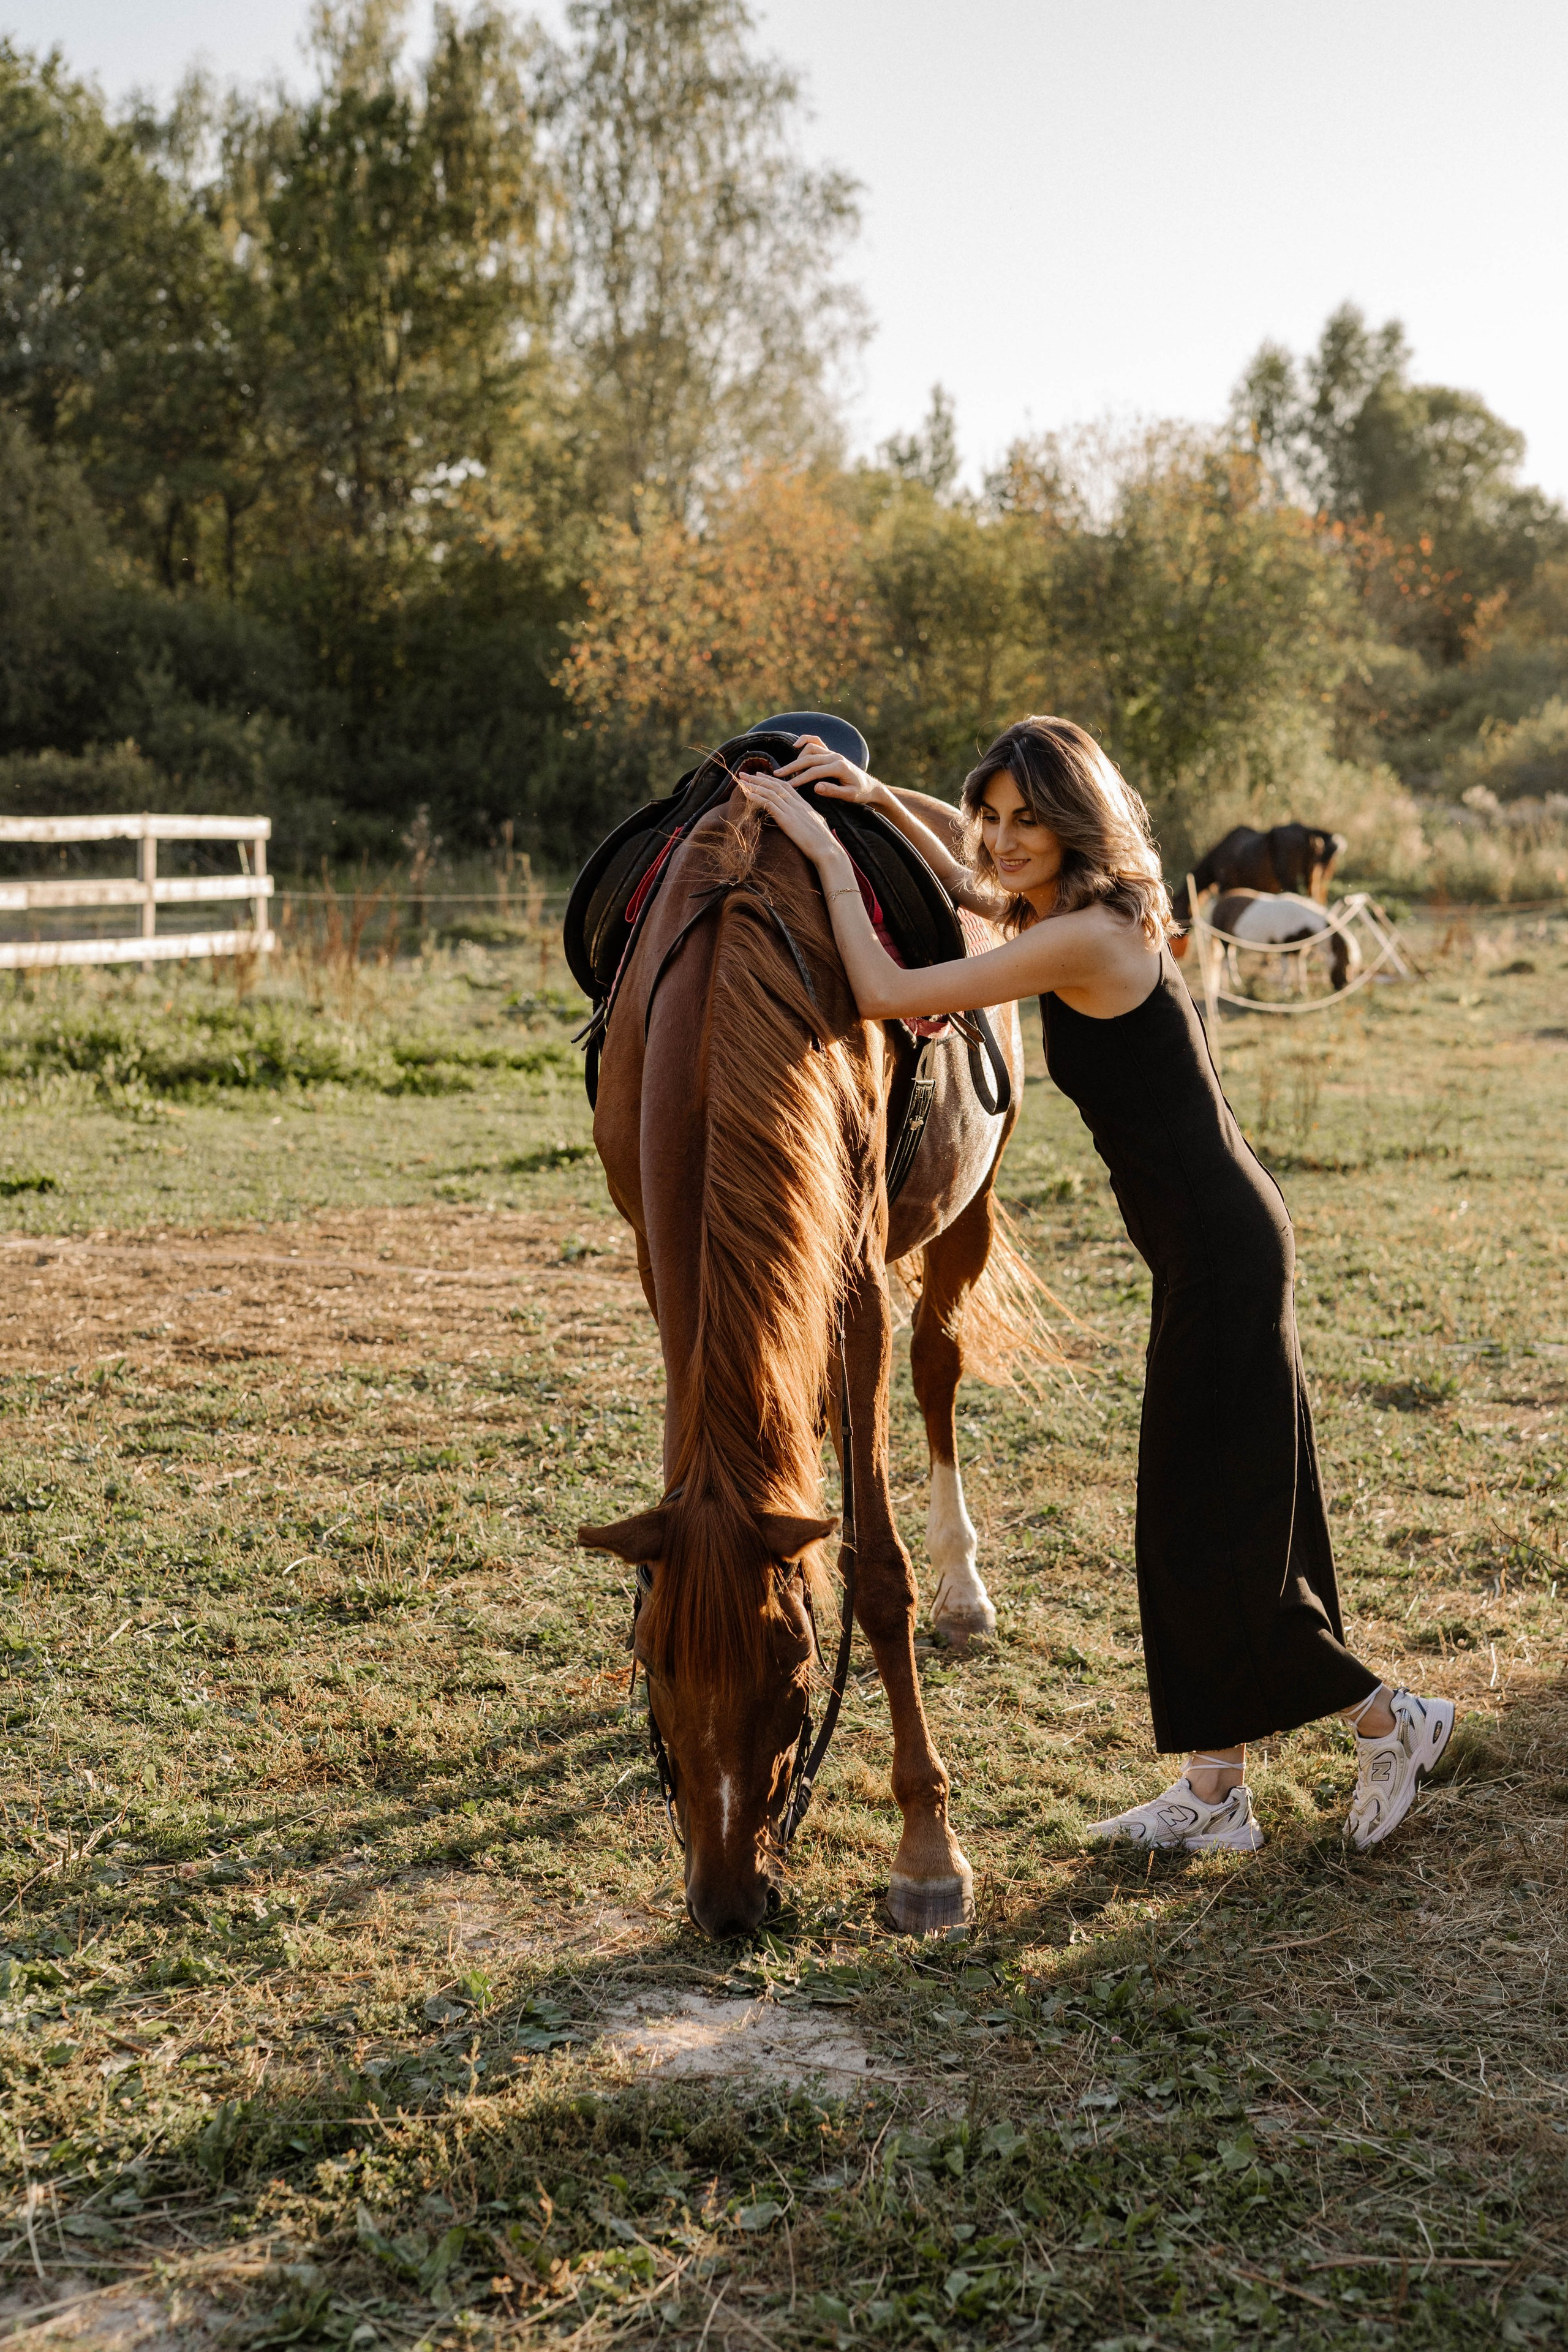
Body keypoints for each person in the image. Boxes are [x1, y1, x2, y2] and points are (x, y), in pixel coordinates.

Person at [739, 716, 1453, 1855]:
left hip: (1219, 1252)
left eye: (1030, 818)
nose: (1002, 839)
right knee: (1203, 1514)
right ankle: (1214, 1792)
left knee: (1210, 1525)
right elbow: (971, 869)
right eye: (993, 815)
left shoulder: (1082, 937)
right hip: (1211, 1244)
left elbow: (883, 987)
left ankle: (1392, 1718)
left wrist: (825, 848)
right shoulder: (1098, 906)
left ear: (1075, 820)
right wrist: (873, 801)